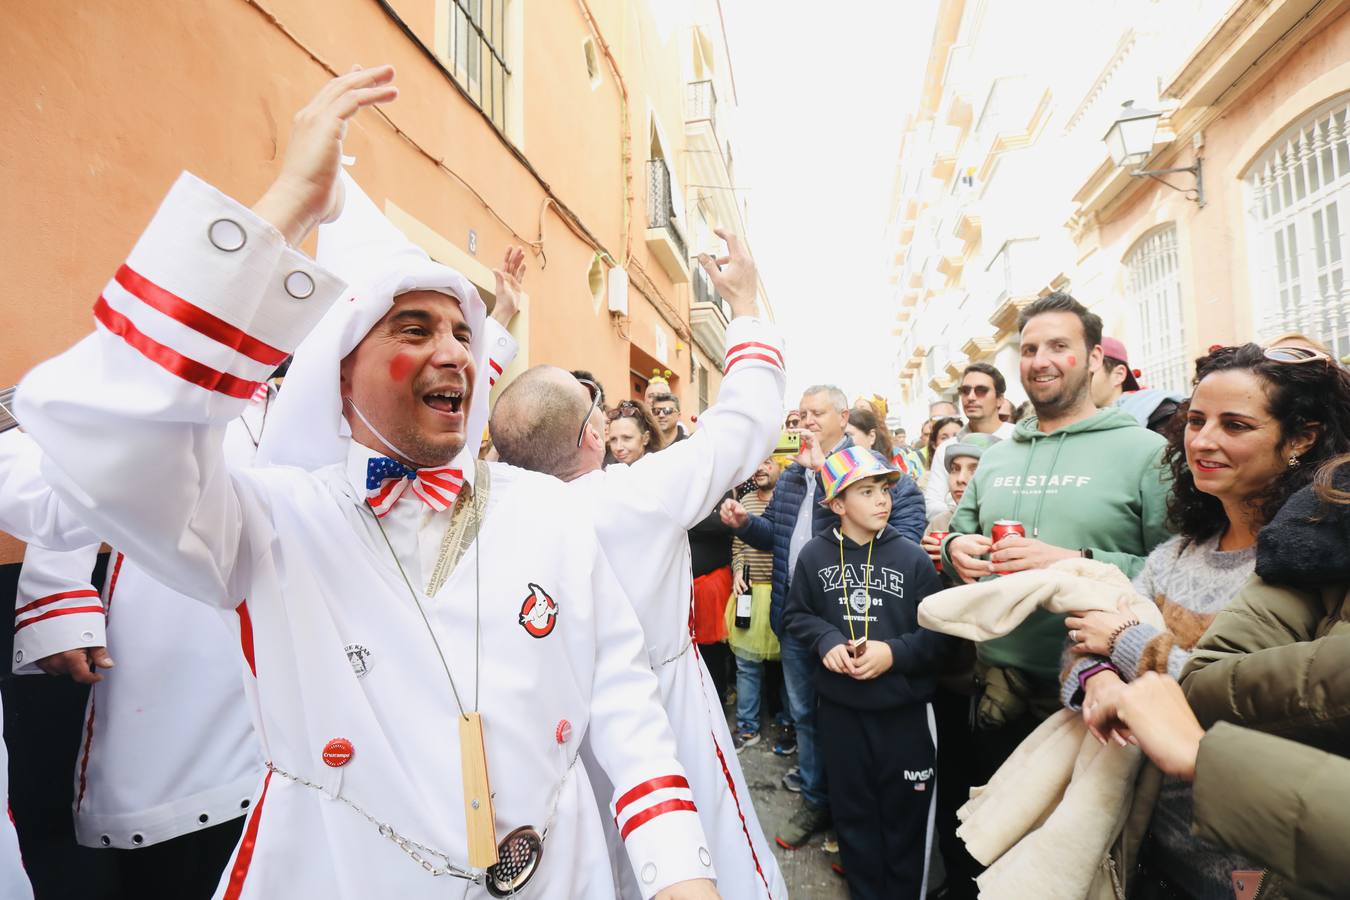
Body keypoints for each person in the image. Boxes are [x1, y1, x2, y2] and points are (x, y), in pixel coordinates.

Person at [15, 68, 718, 899]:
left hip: (561, 876)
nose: (454, 351)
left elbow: (628, 712)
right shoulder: (266, 523)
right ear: (337, 380)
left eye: (464, 331)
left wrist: (680, 875)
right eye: (413, 328)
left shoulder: (551, 512)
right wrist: (284, 208)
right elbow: (103, 431)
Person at [487, 226, 788, 900]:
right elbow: (744, 423)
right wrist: (743, 305)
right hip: (663, 703)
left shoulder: (485, 514)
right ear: (595, 436)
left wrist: (499, 322)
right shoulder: (639, 494)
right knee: (703, 844)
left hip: (552, 730)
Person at [1060, 343, 1350, 898]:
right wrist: (1094, 678)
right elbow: (1082, 640)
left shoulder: (1311, 568)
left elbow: (1279, 704)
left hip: (1263, 859)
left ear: (1303, 438)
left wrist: (1128, 644)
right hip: (1152, 840)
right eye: (1195, 420)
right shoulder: (1176, 553)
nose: (1203, 441)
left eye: (1235, 425)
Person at [940, 291, 1170, 804]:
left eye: (1057, 346)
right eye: (1028, 349)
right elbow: (958, 534)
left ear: (1093, 358)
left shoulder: (1146, 453)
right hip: (995, 690)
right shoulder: (997, 457)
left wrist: (1072, 562)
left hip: (1097, 696)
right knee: (990, 841)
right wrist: (955, 549)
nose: (1039, 361)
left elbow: (1174, 575)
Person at [719, 384, 926, 852]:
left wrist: (826, 472)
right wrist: (744, 524)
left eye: (817, 413)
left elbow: (900, 530)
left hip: (855, 624)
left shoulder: (871, 470)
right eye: (802, 413)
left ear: (843, 415)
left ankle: (850, 812)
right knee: (806, 716)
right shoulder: (794, 474)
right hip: (800, 620)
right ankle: (817, 801)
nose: (807, 421)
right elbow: (778, 533)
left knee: (852, 719)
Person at [783, 446, 950, 899]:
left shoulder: (912, 558)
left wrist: (893, 654)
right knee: (854, 819)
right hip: (840, 713)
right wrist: (826, 641)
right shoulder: (815, 557)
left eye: (885, 490)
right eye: (867, 491)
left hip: (903, 716)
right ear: (837, 504)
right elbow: (797, 616)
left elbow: (940, 637)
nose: (882, 500)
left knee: (904, 824)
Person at [1103, 672, 1350, 900]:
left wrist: (1201, 755)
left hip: (1276, 869)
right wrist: (1098, 675)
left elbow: (1202, 674)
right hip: (1157, 843)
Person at [726, 456, 783, 750]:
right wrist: (737, 569)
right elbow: (737, 544)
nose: (761, 468)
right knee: (746, 666)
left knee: (786, 667)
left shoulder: (787, 500)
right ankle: (748, 727)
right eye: (757, 462)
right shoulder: (745, 499)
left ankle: (788, 726)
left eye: (768, 462)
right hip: (747, 593)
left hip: (779, 594)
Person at [923, 364, 1017, 520]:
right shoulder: (947, 448)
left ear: (1000, 399)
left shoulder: (1019, 439)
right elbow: (932, 505)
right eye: (965, 391)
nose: (971, 397)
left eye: (981, 391)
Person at [1089, 336, 1184, 434]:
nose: (1079, 380)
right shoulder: (1088, 422)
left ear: (1119, 375)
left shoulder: (1160, 416)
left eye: (1089, 369)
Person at [607, 399, 665, 464]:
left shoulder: (663, 470)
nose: (618, 447)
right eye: (613, 439)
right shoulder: (608, 471)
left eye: (626, 438)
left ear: (645, 438)